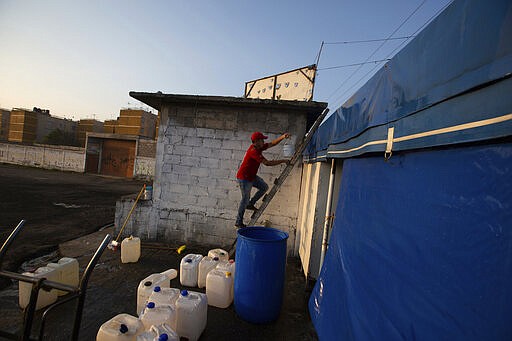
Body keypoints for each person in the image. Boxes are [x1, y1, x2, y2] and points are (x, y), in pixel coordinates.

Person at [235, 131, 290, 228]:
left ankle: (250, 204)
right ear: (256, 141)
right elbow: (267, 163)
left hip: (251, 176)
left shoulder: (259, 147)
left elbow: (272, 143)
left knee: (264, 187)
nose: (264, 142)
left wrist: (282, 137)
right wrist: (283, 160)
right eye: (262, 140)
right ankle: (238, 222)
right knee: (245, 199)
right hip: (244, 178)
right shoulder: (254, 151)